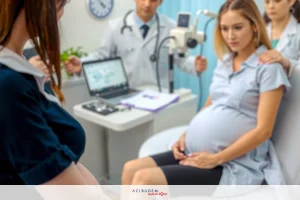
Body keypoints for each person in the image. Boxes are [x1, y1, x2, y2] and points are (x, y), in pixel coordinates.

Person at [121, 0, 290, 186]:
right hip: (196, 150)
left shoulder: (268, 69)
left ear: (254, 27)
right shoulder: (225, 62)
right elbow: (210, 105)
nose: (230, 36)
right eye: (224, 29)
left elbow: (263, 131)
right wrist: (186, 135)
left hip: (231, 162)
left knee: (145, 182)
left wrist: (216, 158)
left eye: (238, 27)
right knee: (130, 169)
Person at [0, 0, 100, 185]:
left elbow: (60, 161)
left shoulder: (19, 68)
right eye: (62, 4)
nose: (61, 14)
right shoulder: (10, 85)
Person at [63, 0, 207, 89]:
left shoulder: (170, 27)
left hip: (159, 96)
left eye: (153, 0)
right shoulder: (115, 27)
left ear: (160, 2)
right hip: (126, 96)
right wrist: (81, 65)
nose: (147, 4)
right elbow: (101, 56)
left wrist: (195, 64)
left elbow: (181, 59)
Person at [259, 0, 300, 77]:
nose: (271, 6)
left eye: (277, 1)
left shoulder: (298, 33)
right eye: (267, 2)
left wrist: (286, 62)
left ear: (291, 1)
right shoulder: (258, 33)